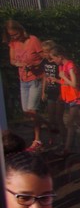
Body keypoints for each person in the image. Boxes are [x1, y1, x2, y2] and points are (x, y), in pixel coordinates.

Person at [6, 19, 46, 149]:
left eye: (16, 34)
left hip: (36, 79)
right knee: (26, 111)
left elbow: (44, 57)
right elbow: (12, 60)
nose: (14, 37)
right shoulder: (13, 43)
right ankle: (49, 124)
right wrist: (19, 64)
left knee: (32, 110)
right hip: (23, 80)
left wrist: (34, 64)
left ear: (21, 30)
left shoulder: (33, 40)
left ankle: (37, 140)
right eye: (11, 35)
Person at [49, 44, 80, 155]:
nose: (52, 61)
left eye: (53, 58)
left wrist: (63, 77)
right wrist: (57, 80)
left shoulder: (70, 65)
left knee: (70, 123)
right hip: (69, 98)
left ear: (60, 56)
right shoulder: (62, 66)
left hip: (76, 97)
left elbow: (74, 84)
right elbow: (66, 83)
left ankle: (67, 148)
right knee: (79, 122)